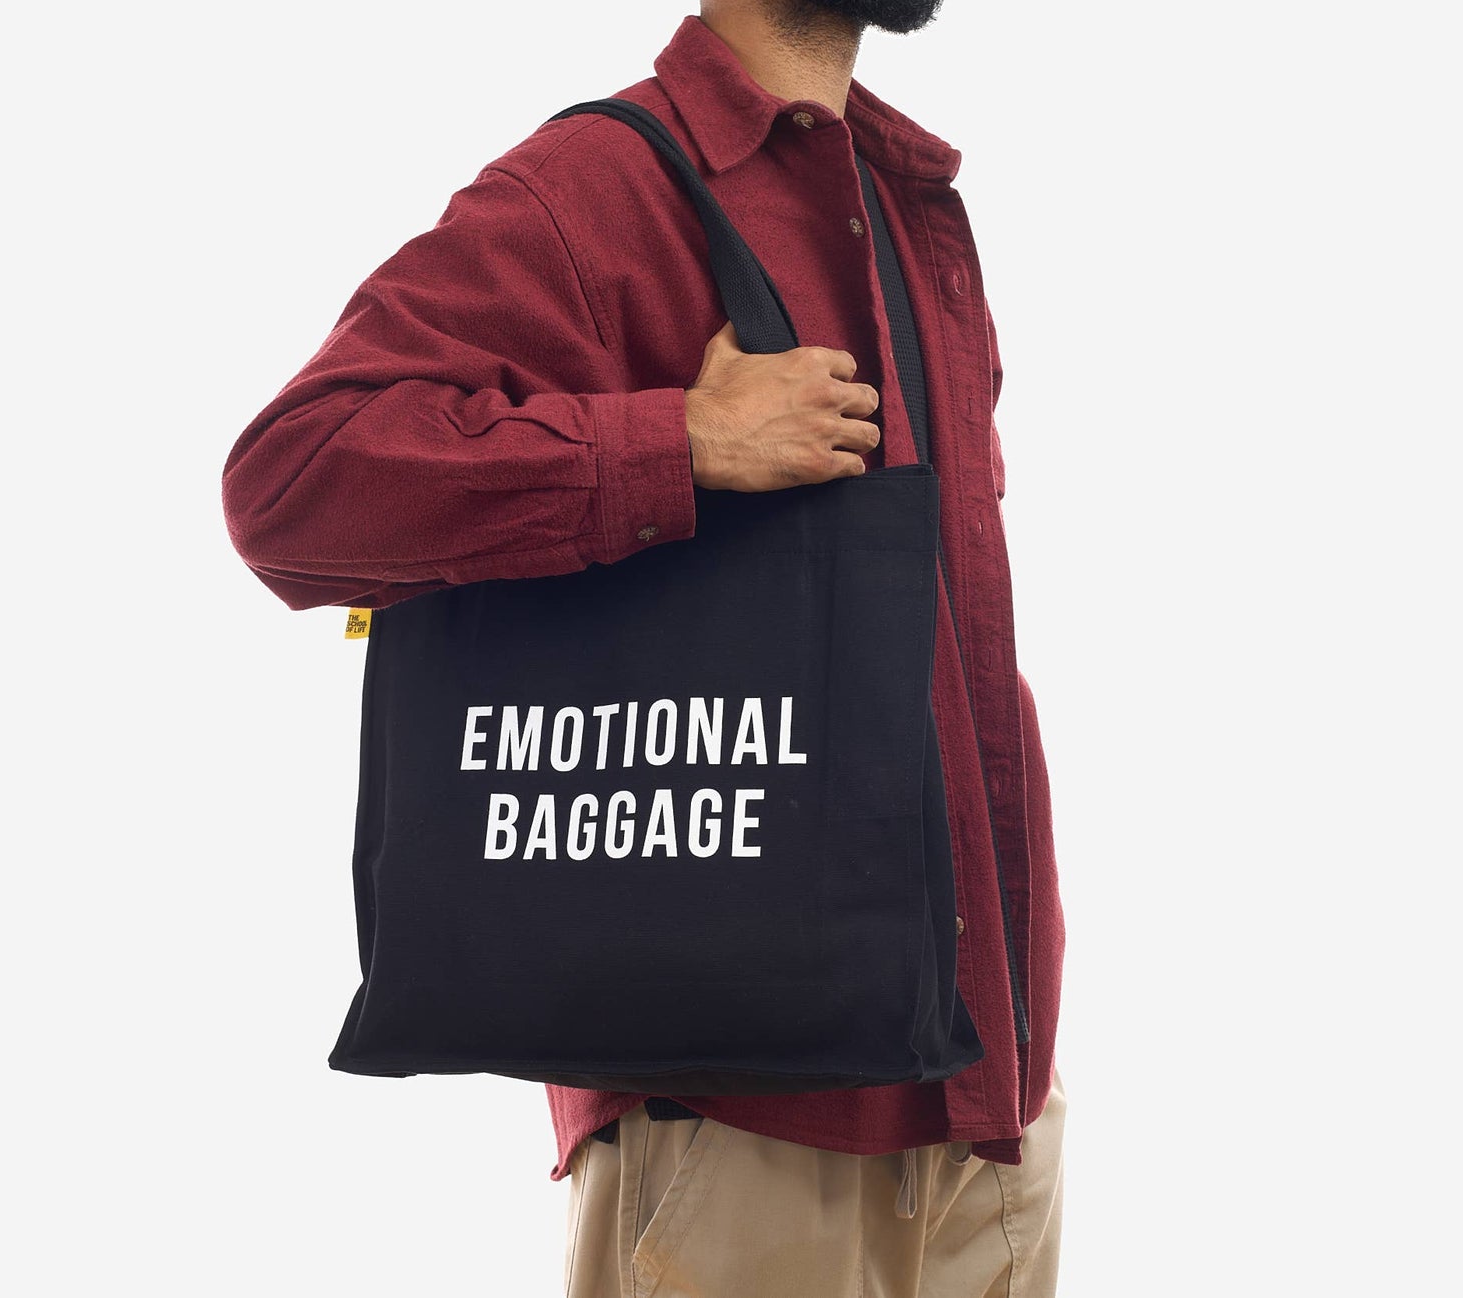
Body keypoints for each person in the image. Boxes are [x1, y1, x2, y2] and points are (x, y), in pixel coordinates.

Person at [221, 3, 1067, 1293]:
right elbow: (292, 486)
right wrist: (676, 443)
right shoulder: (595, 189)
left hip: (992, 1114)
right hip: (740, 1128)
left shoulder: (906, 200)